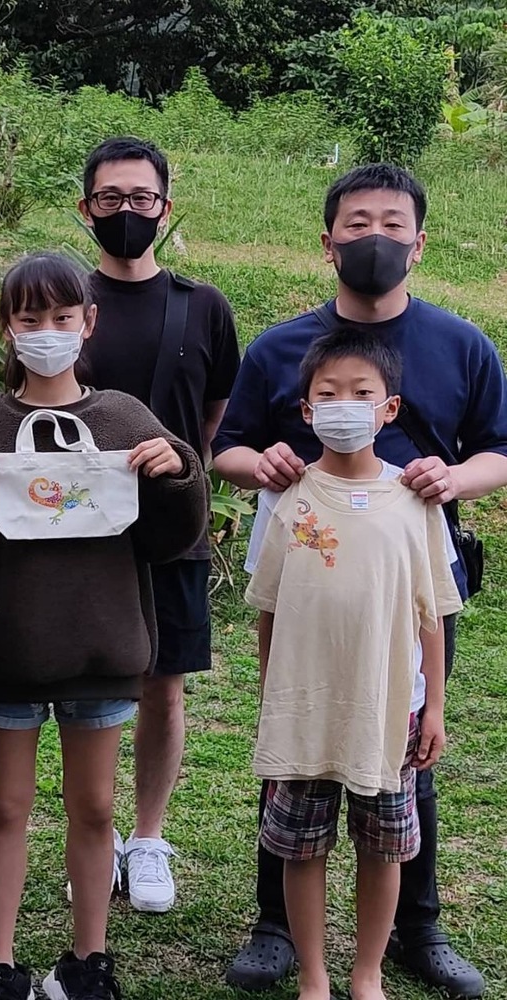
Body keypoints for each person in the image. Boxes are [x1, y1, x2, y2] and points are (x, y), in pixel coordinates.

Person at [214, 163, 507, 999]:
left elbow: (500, 448)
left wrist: (455, 479)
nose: (373, 237)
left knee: (407, 749)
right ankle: (275, 927)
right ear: (328, 240)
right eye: (356, 223)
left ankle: (419, 929)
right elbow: (227, 447)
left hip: (411, 575)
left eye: (391, 223)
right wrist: (261, 464)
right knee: (295, 754)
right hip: (310, 576)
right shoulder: (280, 348)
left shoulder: (462, 344)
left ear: (419, 242)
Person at [0, 252, 210, 1000]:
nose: (46, 332)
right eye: (29, 319)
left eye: (61, 317)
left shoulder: (124, 419)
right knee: (6, 808)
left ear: (88, 322)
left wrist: (178, 471)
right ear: (6, 327)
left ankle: (90, 961)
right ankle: (0, 965)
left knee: (95, 808)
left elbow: (170, 539)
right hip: (10, 650)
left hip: (103, 649)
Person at [246, 325, 462, 1000]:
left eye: (361, 393)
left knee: (384, 846)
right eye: (329, 393)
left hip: (389, 710)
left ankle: (367, 973)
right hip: (305, 709)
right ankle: (313, 975)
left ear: (388, 408)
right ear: (306, 409)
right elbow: (268, 609)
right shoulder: (289, 496)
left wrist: (434, 706)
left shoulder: (416, 500)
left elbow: (432, 612)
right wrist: (270, 697)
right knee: (301, 847)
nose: (345, 405)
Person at [78, 136, 240, 912]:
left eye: (141, 198)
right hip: (76, 531)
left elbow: (213, 417)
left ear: (164, 208)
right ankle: (94, 835)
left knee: (164, 689)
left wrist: (178, 475)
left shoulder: (202, 306)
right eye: (110, 198)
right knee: (86, 692)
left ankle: (147, 838)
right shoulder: (65, 303)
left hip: (172, 526)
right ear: (86, 209)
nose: (127, 211)